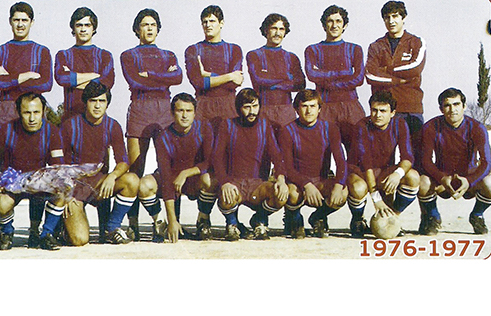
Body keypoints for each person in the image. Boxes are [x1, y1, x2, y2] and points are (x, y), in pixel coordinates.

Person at [120, 8, 182, 239]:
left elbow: (178, 78)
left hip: (164, 109)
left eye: (153, 24)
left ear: (158, 29)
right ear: (137, 29)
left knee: (170, 168)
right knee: (136, 169)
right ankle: (133, 223)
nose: (149, 28)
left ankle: (172, 222)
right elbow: (135, 81)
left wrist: (150, 75)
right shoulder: (128, 55)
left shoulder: (168, 55)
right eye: (144, 24)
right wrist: (162, 77)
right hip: (140, 108)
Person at [0, 92, 65, 250]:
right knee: (2, 202)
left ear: (44, 111)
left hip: (38, 181)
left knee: (62, 192)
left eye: (36, 112)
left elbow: (57, 164)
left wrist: (53, 181)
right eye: (27, 113)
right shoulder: (6, 129)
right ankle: (6, 233)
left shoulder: (52, 131)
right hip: (13, 182)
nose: (32, 118)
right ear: (19, 112)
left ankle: (45, 234)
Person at [61, 81, 139, 245]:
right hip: (75, 187)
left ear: (107, 103)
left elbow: (123, 161)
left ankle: (111, 228)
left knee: (132, 180)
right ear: (85, 102)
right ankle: (63, 226)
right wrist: (66, 194)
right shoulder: (70, 126)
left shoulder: (112, 126)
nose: (97, 106)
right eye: (93, 101)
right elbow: (60, 166)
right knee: (80, 240)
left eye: (102, 101)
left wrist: (112, 176)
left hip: (99, 184)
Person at [138, 93, 218, 243]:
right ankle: (160, 223)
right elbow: (166, 176)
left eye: (188, 111)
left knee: (210, 179)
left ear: (195, 113)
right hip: (171, 180)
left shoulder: (204, 128)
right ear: (172, 112)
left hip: (193, 180)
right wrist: (172, 220)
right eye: (180, 110)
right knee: (144, 185)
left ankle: (203, 220)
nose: (184, 115)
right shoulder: (164, 137)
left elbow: (209, 162)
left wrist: (186, 173)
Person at [213, 88, 289, 241]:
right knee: (226, 196)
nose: (252, 111)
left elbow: (277, 156)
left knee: (280, 196)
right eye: (247, 107)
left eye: (255, 106)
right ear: (238, 108)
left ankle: (259, 219)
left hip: (258, 184)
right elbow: (217, 157)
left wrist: (281, 179)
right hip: (234, 182)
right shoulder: (227, 125)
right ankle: (232, 223)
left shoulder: (264, 126)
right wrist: (225, 182)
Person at [418, 88, 491, 235]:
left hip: (468, 179)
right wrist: (442, 177)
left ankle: (477, 215)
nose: (452, 110)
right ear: (441, 109)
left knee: (490, 183)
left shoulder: (477, 128)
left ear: (464, 106)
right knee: (423, 182)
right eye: (447, 105)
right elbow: (426, 160)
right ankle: (433, 216)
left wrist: (469, 180)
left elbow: (486, 162)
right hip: (442, 178)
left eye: (456, 104)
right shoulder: (431, 126)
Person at [346, 90, 419, 238]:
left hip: (383, 170)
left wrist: (397, 174)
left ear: (392, 113)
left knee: (413, 177)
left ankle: (392, 217)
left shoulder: (399, 124)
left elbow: (408, 156)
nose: (377, 115)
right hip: (360, 172)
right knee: (358, 188)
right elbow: (366, 164)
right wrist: (376, 199)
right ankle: (358, 220)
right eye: (374, 110)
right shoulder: (362, 126)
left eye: (383, 111)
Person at [279, 89, 348, 238]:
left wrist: (338, 186)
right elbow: (288, 168)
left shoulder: (330, 128)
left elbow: (341, 162)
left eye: (313, 106)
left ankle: (318, 217)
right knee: (291, 193)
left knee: (343, 192)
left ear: (319, 109)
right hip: (297, 183)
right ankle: (294, 218)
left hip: (321, 180)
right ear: (296, 109)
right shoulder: (287, 130)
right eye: (304, 106)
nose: (309, 111)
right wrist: (306, 184)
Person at [304, 5, 365, 150]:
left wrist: (327, 79)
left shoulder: (354, 49)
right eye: (330, 21)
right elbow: (312, 74)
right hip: (325, 106)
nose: (334, 25)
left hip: (350, 106)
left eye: (338, 21)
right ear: (324, 25)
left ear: (345, 25)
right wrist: (344, 73)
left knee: (356, 151)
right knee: (321, 151)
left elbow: (359, 78)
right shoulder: (313, 49)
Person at [365, 0, 426, 138]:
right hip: (383, 110)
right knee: (383, 151)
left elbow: (415, 68)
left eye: (395, 16)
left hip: (411, 109)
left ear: (403, 18)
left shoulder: (416, 42)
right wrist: (398, 80)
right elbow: (370, 75)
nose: (391, 21)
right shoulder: (376, 46)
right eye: (387, 17)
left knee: (414, 150)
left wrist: (385, 69)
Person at [0, 1, 53, 125]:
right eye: (16, 20)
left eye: (24, 20)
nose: (20, 24)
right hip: (7, 109)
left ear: (32, 22)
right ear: (10, 21)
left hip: (33, 107)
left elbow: (46, 84)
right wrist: (28, 75)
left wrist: (9, 79)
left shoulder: (42, 51)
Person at [185, 5, 243, 134]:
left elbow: (235, 83)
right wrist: (229, 76)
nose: (208, 25)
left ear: (221, 23)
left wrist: (208, 74)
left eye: (212, 21)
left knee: (228, 145)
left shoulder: (234, 50)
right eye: (204, 22)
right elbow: (198, 82)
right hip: (203, 107)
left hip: (229, 106)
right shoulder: (193, 50)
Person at [247, 13, 305, 134]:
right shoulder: (254, 55)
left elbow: (300, 84)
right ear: (266, 30)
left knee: (287, 144)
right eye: (274, 28)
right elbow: (258, 80)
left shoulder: (291, 57)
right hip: (263, 109)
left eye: (281, 29)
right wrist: (286, 77)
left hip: (286, 111)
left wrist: (270, 80)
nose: (277, 33)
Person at [55, 7, 115, 123]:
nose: (83, 29)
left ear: (93, 28)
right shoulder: (64, 55)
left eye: (87, 25)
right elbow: (62, 78)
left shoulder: (104, 55)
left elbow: (107, 82)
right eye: (79, 25)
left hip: (97, 119)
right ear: (73, 28)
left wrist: (74, 81)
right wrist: (94, 76)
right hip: (70, 117)